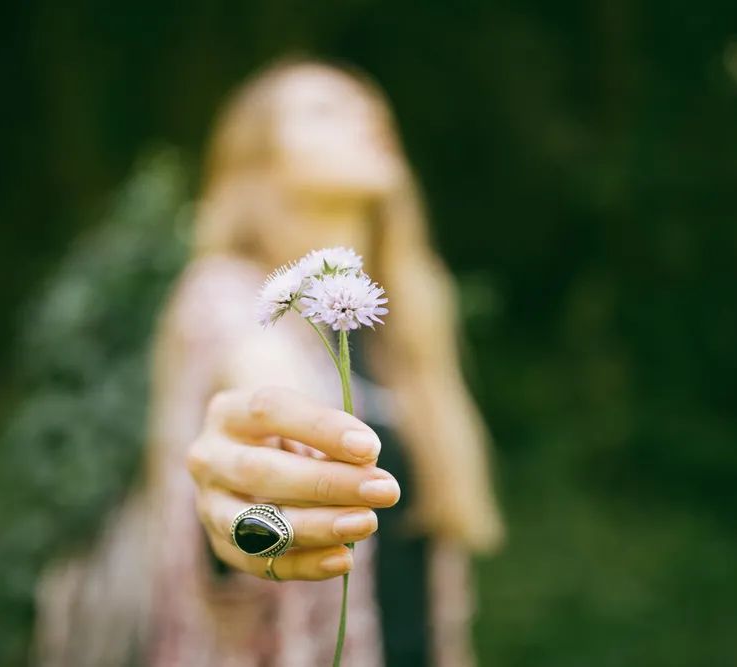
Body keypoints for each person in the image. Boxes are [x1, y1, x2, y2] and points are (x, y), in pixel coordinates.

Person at [35, 57, 503, 667]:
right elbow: (261, 387)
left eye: (369, 106)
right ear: (259, 161)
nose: (366, 116)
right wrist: (255, 512)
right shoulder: (223, 295)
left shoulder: (414, 317)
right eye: (323, 110)